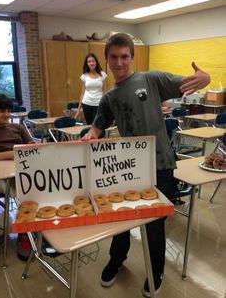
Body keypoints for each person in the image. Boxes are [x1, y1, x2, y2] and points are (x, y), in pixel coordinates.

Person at [82, 33, 211, 297]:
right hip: (127, 168)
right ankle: (116, 260)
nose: (119, 62)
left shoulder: (151, 80)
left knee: (153, 224)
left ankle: (156, 271)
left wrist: (205, 78)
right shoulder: (109, 98)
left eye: (124, 57)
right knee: (120, 218)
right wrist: (92, 134)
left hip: (160, 165)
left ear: (132, 57)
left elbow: (190, 82)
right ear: (106, 59)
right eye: (114, 57)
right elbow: (98, 125)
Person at [0, 93, 34, 260]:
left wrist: (30, 148)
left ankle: (36, 227)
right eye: (2, 111)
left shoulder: (17, 127)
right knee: (25, 191)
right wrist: (10, 153)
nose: (7, 115)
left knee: (40, 186)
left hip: (23, 170)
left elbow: (31, 145)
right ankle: (25, 234)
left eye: (9, 111)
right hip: (1, 178)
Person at [74, 53, 107, 124]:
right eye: (89, 61)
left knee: (96, 125)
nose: (91, 63)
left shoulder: (103, 74)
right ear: (87, 64)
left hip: (98, 103)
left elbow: (104, 92)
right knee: (89, 126)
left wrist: (106, 106)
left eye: (93, 61)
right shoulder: (84, 76)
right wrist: (79, 109)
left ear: (96, 62)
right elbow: (82, 93)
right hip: (87, 103)